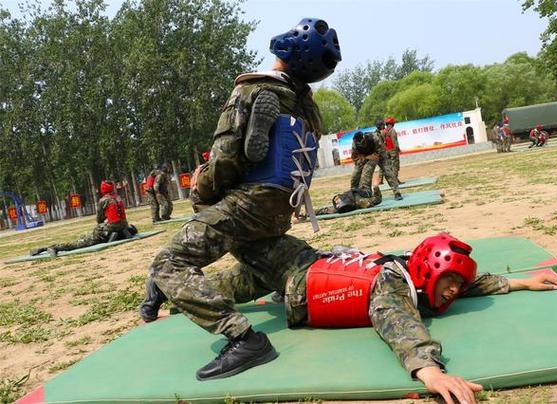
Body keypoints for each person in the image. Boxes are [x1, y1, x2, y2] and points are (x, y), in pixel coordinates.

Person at [139, 17, 342, 380]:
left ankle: (243, 338)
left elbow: (226, 158)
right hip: (281, 209)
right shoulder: (309, 107)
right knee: (258, 265)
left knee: (168, 262)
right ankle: (171, 291)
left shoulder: (252, 90)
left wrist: (201, 188)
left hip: (248, 203)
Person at [142, 232, 557, 402]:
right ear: (427, 273)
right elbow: (399, 326)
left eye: (456, 283)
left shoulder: (417, 275)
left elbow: (471, 283)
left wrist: (525, 283)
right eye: (448, 282)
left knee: (206, 293)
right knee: (234, 229)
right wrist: (429, 372)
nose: (454, 291)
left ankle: (163, 283)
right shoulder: (394, 287)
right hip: (291, 268)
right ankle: (167, 267)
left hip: (293, 277)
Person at [29, 181, 137, 257]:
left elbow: (99, 219)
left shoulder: (104, 200)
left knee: (80, 242)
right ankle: (119, 233)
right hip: (122, 225)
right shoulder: (117, 197)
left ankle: (54, 247)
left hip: (110, 228)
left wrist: (104, 224)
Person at [369, 120, 402, 199]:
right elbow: (381, 147)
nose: (385, 126)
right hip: (374, 157)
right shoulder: (376, 135)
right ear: (381, 126)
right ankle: (368, 194)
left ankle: (396, 192)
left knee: (388, 173)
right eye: (383, 125)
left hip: (380, 157)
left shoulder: (381, 133)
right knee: (367, 175)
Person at [313, 185, 382, 216]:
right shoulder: (338, 207)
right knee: (368, 201)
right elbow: (324, 210)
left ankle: (375, 196)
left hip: (350, 201)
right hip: (350, 201)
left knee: (363, 201)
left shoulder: (338, 207)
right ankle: (375, 196)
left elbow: (324, 210)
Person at [383, 116, 401, 181]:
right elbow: (394, 141)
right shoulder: (392, 130)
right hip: (393, 150)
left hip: (387, 151)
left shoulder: (384, 131)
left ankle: (393, 180)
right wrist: (398, 149)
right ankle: (395, 180)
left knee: (389, 165)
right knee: (395, 165)